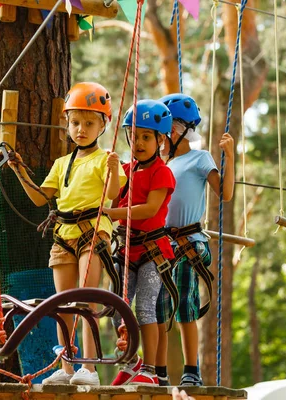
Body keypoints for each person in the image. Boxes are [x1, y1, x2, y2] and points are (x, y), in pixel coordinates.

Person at [8, 82, 126, 386]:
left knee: (85, 299)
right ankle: (68, 366)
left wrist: (113, 170)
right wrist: (20, 172)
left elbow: (112, 194)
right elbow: (39, 197)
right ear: (67, 125)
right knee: (61, 303)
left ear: (103, 124)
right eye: (75, 123)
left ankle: (89, 367)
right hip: (64, 234)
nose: (81, 129)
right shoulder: (62, 164)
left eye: (89, 123)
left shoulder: (105, 159)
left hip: (92, 233)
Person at [154, 93, 235, 386]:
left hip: (189, 242)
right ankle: (158, 372)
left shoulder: (199, 158)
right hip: (163, 243)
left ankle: (192, 371)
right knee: (160, 308)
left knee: (186, 304)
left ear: (175, 130)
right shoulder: (160, 164)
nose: (160, 140)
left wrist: (231, 157)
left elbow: (224, 194)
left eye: (162, 134)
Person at [104, 99, 176, 386]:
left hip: (152, 251)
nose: (138, 143)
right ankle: (131, 362)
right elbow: (112, 197)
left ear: (160, 140)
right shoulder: (126, 169)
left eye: (146, 137)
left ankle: (149, 369)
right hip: (126, 250)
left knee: (145, 308)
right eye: (133, 137)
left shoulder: (162, 172)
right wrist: (111, 172)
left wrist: (115, 214)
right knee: (114, 307)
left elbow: (149, 209)